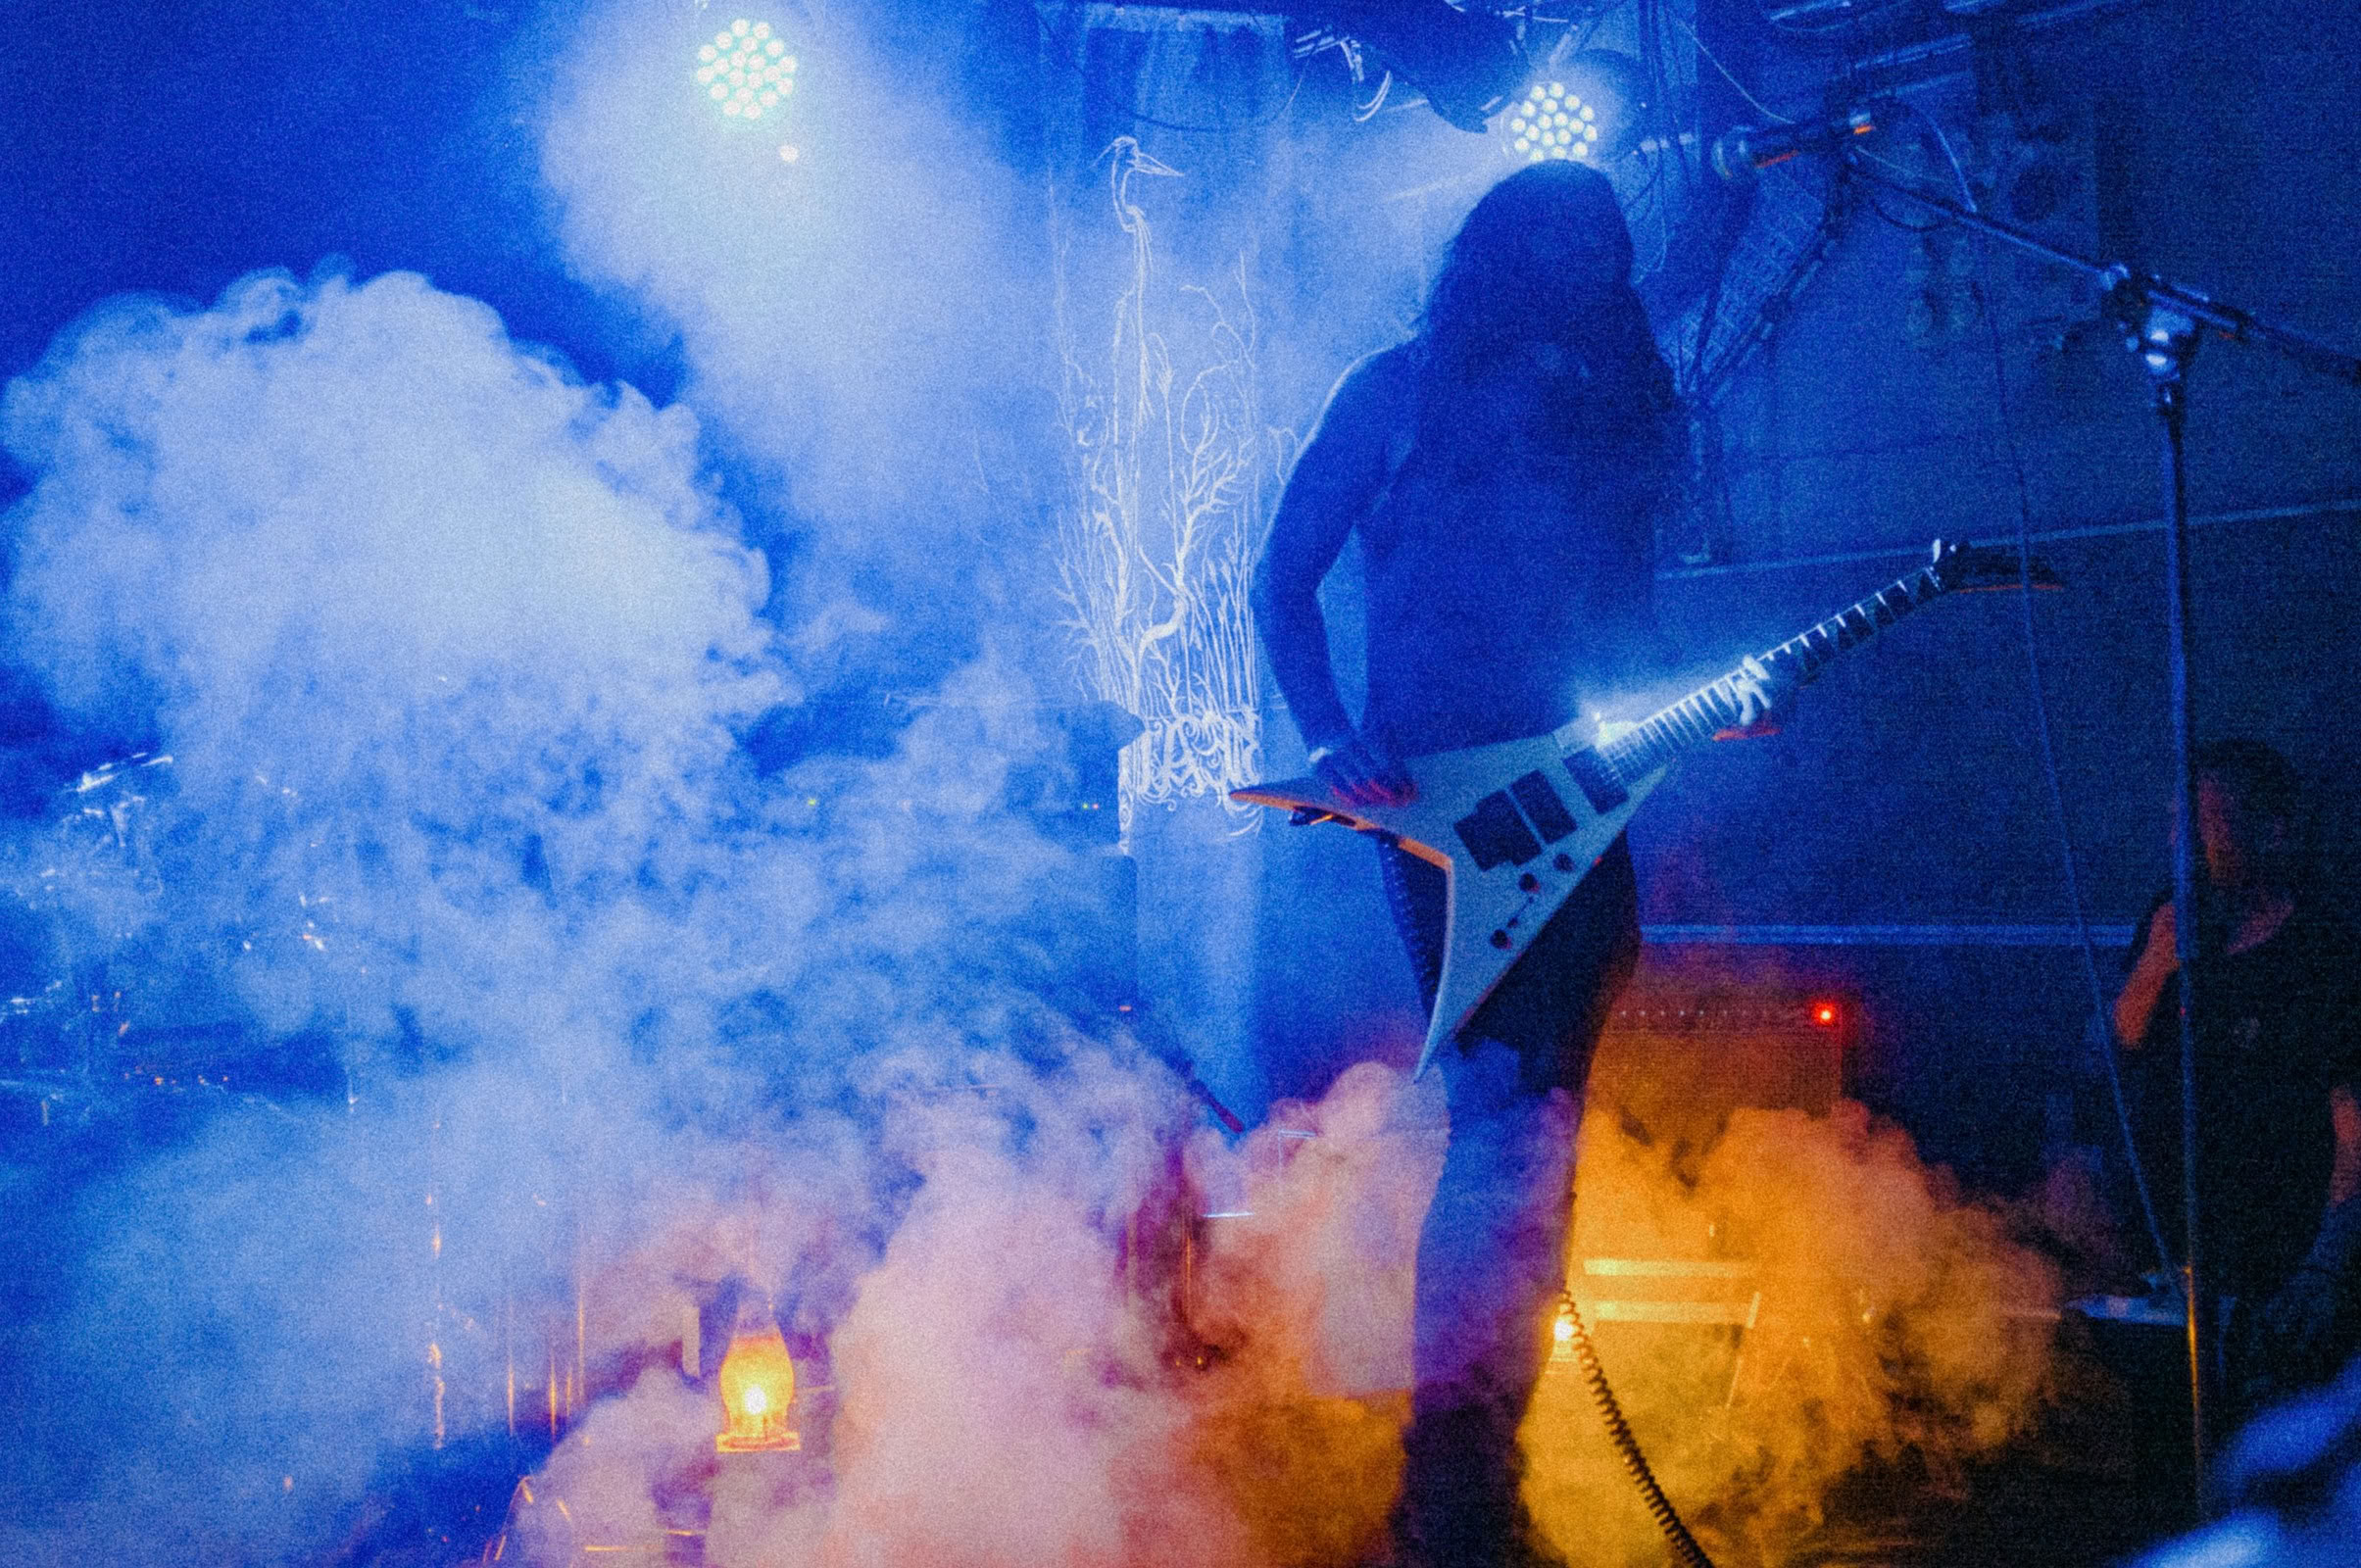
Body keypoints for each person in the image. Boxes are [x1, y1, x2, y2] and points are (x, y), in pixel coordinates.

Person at [1251, 162, 1782, 1568]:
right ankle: (1450, 1503)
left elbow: (1622, 624)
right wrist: (1331, 732)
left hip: (1582, 792)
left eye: (1606, 253)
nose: (1591, 273)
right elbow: (1279, 578)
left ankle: (1476, 1488)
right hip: (1446, 802)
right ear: (1499, 259)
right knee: (1498, 1124)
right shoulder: (1399, 390)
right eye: (1565, 249)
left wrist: (1705, 693)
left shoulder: (1613, 414)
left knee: (1537, 1138)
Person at [2112, 740, 2361, 1422]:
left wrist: (2324, 1269)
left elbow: (2352, 1131)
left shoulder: (2321, 952)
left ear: (2269, 830)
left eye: (2199, 824)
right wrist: (2156, 963)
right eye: (2173, 824)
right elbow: (2120, 1047)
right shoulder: (2171, 920)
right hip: (2171, 1265)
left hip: (2277, 1277)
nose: (2181, 844)